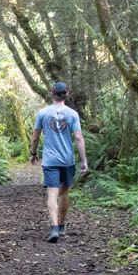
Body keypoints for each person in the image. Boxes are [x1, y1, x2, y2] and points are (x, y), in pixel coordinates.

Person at [29, 82, 88, 243]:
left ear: (52, 94)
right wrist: (83, 161)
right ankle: (61, 225)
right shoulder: (72, 114)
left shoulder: (42, 113)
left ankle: (54, 227)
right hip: (67, 160)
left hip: (50, 161)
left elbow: (35, 137)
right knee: (64, 193)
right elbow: (78, 137)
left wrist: (33, 153)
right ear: (66, 94)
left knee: (52, 193)